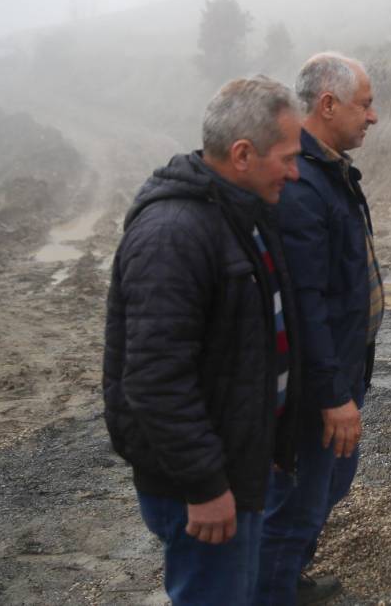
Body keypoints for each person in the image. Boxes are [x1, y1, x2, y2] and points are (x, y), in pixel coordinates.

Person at [102, 76, 302, 605]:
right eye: (286, 156)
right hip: (206, 486)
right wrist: (205, 486)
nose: (295, 170)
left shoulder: (241, 213)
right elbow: (154, 380)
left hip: (239, 462)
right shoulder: (174, 233)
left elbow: (251, 346)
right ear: (242, 154)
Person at [256, 53, 380, 605]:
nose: (373, 117)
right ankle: (272, 589)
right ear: (327, 104)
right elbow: (306, 302)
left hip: (343, 367)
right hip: (317, 385)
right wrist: (332, 394)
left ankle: (285, 577)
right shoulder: (303, 182)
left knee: (330, 483)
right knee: (299, 502)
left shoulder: (328, 168)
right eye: (366, 104)